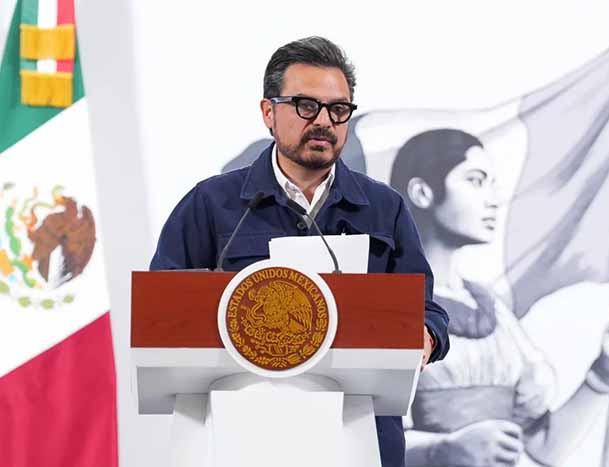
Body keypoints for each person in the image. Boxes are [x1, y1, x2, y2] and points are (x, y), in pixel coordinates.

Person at [149, 36, 450, 467]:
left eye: (338, 109)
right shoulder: (212, 205)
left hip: (359, 441)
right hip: (242, 439)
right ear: (268, 112)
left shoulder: (384, 208)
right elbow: (161, 314)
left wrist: (425, 336)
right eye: (306, 106)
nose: (324, 121)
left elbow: (427, 310)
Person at [389, 129, 609, 467]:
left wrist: (603, 370)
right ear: (422, 192)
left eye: (492, 184)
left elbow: (544, 445)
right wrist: (440, 449)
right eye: (475, 181)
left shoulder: (492, 311)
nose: (493, 200)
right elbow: (360, 443)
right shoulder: (385, 303)